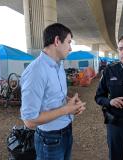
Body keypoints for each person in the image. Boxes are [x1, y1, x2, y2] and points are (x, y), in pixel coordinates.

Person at [20, 23, 86, 160]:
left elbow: (54, 96)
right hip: (49, 139)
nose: (71, 48)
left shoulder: (58, 65)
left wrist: (70, 103)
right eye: (68, 42)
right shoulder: (36, 71)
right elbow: (29, 121)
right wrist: (66, 109)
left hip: (66, 131)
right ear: (57, 41)